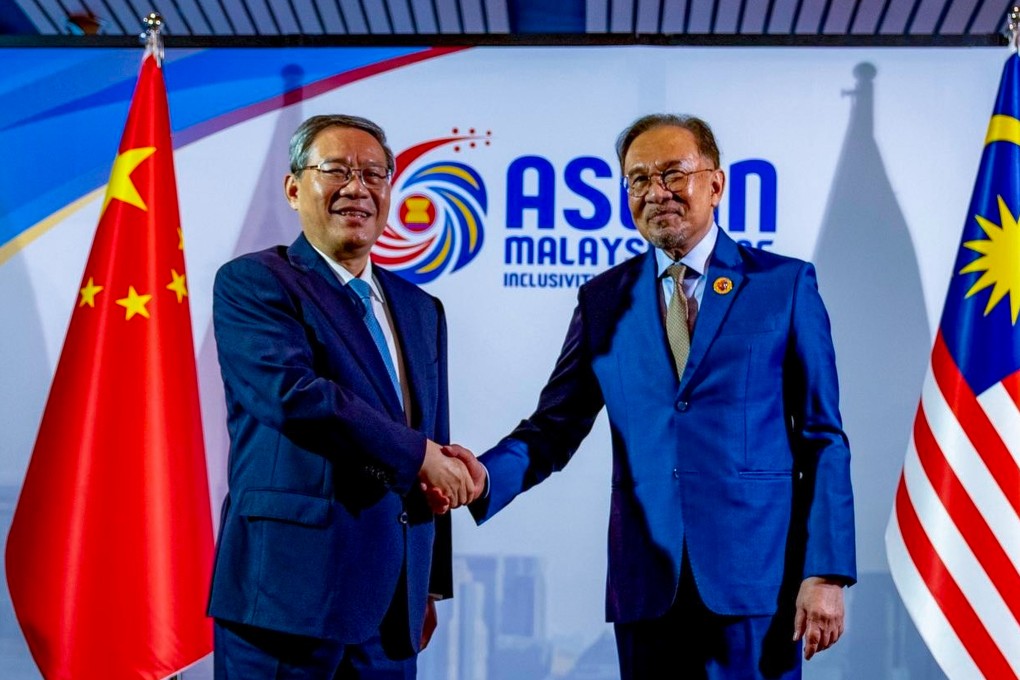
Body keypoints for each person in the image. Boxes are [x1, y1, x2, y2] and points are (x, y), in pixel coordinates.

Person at [445, 114, 856, 679]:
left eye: (672, 174)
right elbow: (553, 427)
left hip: (757, 581)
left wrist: (825, 572)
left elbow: (822, 439)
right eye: (638, 180)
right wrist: (483, 477)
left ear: (716, 184)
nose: (656, 192)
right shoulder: (603, 300)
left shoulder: (784, 286)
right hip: (647, 587)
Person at [207, 114, 476, 678]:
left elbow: (430, 439)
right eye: (336, 171)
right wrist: (420, 455)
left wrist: (426, 585)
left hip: (389, 608)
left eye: (374, 173)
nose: (357, 188)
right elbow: (294, 395)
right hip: (285, 601)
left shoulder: (422, 309)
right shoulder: (255, 282)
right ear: (294, 187)